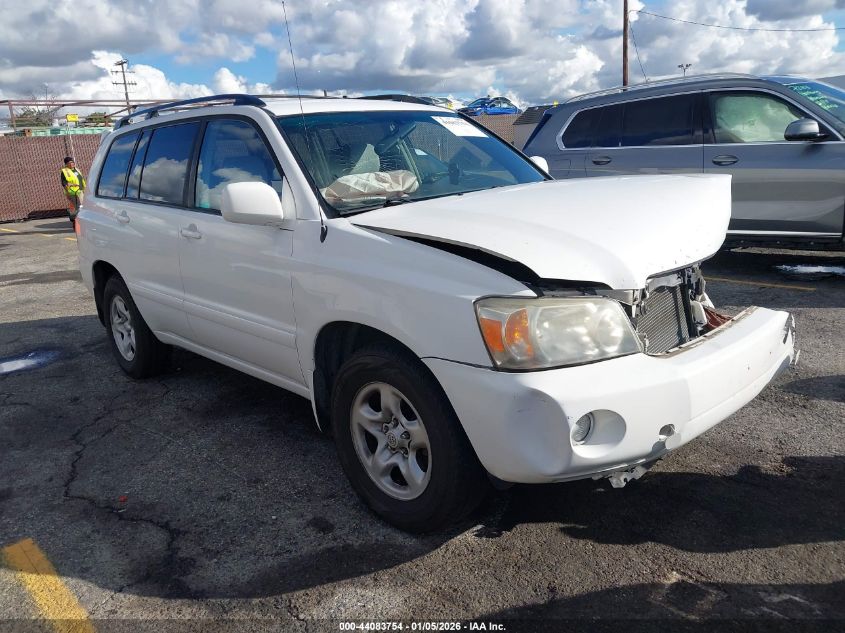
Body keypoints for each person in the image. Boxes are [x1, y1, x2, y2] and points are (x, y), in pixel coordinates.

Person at [60, 156, 86, 225]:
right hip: (72, 192)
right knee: (79, 206)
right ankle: (79, 222)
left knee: (80, 206)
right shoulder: (65, 171)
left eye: (72, 162)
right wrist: (68, 192)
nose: (72, 164)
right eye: (69, 163)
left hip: (80, 191)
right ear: (66, 164)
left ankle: (72, 215)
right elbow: (64, 183)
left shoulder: (76, 170)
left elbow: (81, 179)